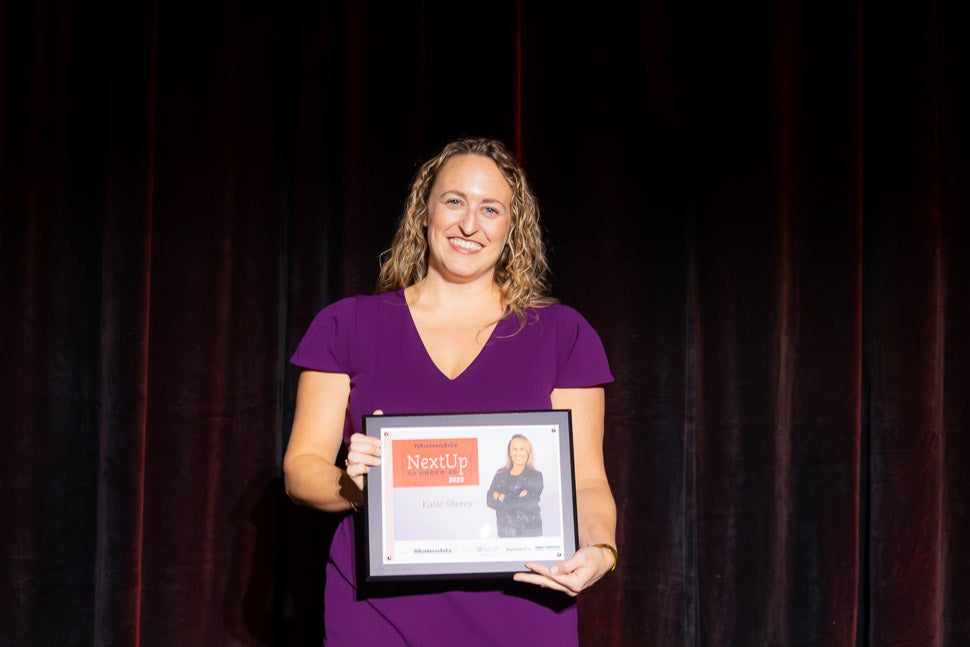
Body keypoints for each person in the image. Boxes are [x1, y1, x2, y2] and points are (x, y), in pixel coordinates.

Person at [283, 137, 617, 646]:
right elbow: (301, 469)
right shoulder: (346, 325)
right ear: (424, 211)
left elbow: (587, 482)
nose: (469, 224)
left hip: (522, 610)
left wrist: (601, 552)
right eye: (454, 201)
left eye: (490, 209)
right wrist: (354, 486)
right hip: (376, 611)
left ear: (512, 228)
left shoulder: (563, 334)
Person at [487, 434, 544, 537]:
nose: (518, 453)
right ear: (509, 452)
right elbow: (490, 500)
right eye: (515, 449)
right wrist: (517, 499)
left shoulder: (535, 476)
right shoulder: (500, 475)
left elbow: (528, 503)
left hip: (530, 533)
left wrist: (501, 496)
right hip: (505, 534)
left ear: (528, 452)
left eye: (522, 449)